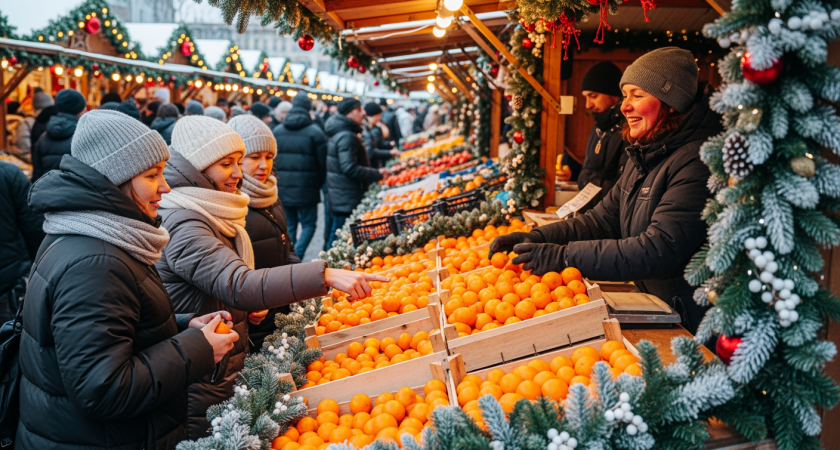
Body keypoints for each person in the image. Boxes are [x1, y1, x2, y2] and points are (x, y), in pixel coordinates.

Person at [155, 116, 387, 438]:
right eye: (226, 164)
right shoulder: (185, 221)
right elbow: (239, 283)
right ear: (198, 166)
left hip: (223, 360)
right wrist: (324, 274)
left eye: (239, 162)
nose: (239, 173)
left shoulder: (216, 207)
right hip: (205, 375)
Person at [17, 110, 237, 449]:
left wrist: (183, 326)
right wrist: (199, 348)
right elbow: (103, 389)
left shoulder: (91, 232)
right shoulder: (96, 262)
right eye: (152, 175)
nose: (165, 186)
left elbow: (112, 327)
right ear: (115, 179)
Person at [491, 47, 720, 334]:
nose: (625, 107)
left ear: (670, 102)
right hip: (658, 310)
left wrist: (564, 257)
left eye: (637, 95)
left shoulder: (698, 161)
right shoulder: (646, 154)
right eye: (625, 95)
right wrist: (538, 237)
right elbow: (600, 220)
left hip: (691, 326)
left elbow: (659, 249)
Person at [228, 114, 302, 351]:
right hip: (254, 321)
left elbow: (286, 244)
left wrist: (297, 277)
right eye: (254, 157)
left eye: (269, 157)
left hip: (281, 307)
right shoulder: (230, 205)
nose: (264, 165)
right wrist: (254, 302)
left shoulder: (270, 194)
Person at [325, 98, 384, 248]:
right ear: (349, 113)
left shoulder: (343, 132)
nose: (363, 113)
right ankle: (324, 262)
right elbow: (349, 167)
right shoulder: (346, 135)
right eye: (359, 110)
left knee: (338, 236)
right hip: (346, 195)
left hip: (342, 193)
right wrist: (377, 173)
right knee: (338, 239)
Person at [273, 94, 327, 258]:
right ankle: (298, 254)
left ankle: (291, 257)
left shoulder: (277, 131)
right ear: (308, 108)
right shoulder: (316, 132)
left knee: (290, 225)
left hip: (283, 187)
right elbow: (322, 164)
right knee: (309, 224)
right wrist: (317, 183)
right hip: (307, 188)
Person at [577, 61, 628, 209]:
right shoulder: (598, 127)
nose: (588, 105)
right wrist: (573, 173)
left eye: (593, 96)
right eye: (586, 97)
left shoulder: (628, 130)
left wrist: (586, 180)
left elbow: (622, 192)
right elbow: (592, 168)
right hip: (594, 213)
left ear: (613, 93)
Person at [0, 161, 44, 324]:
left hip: (9, 280)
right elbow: (35, 229)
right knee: (10, 336)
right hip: (8, 284)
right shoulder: (8, 173)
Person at [31, 89, 86, 181]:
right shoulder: (84, 136)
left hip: (48, 187)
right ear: (80, 110)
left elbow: (37, 174)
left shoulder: (43, 138)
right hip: (75, 189)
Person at [10, 90, 53, 162]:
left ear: (34, 106)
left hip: (36, 161)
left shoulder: (27, 122)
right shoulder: (58, 119)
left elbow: (23, 146)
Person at [362, 101, 398, 168]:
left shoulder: (374, 127)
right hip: (374, 166)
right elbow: (372, 151)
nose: (380, 117)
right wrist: (389, 152)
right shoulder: (366, 130)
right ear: (374, 115)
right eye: (379, 115)